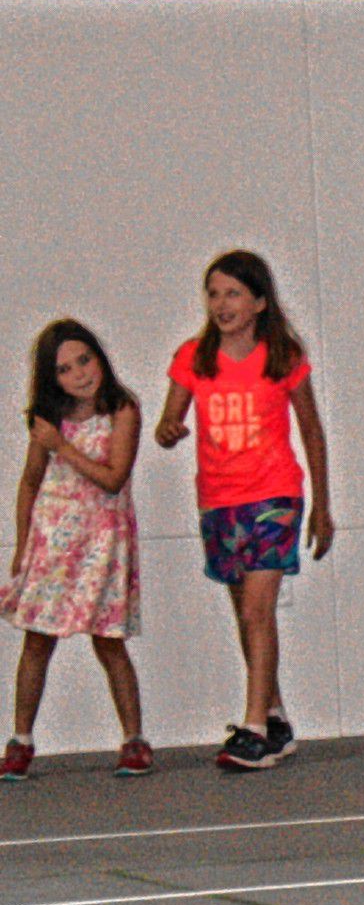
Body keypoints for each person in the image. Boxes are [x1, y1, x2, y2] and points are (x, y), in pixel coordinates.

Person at [155, 249, 332, 773]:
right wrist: (168, 430)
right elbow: (171, 419)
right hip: (219, 499)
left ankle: (252, 728)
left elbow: (312, 430)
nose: (221, 303)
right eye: (213, 293)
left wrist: (322, 505)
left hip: (273, 496)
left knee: (258, 611)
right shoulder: (194, 356)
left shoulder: (282, 355)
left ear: (258, 301)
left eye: (233, 293)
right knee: (245, 615)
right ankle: (275, 718)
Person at [3, 321, 148, 781]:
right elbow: (30, 482)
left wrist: (61, 447)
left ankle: (134, 739)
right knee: (37, 640)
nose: (80, 374)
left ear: (99, 357)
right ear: (52, 379)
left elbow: (113, 477)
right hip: (53, 541)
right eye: (65, 369)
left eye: (84, 359)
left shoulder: (121, 410)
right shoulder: (49, 418)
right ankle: (20, 741)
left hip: (101, 542)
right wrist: (23, 544)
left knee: (109, 641)